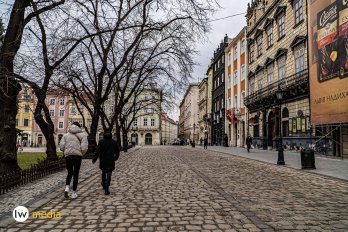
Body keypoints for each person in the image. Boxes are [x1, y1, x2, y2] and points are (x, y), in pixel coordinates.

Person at [60, 122, 88, 199]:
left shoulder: (65, 135)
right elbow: (84, 147)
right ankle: (74, 193)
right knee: (76, 173)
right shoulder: (83, 135)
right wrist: (81, 153)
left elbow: (61, 147)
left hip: (68, 156)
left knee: (69, 173)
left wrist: (66, 151)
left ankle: (67, 188)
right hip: (77, 157)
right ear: (79, 127)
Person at [92, 128, 120, 195]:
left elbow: (97, 152)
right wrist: (116, 158)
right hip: (111, 160)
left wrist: (94, 159)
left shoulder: (101, 142)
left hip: (103, 160)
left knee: (104, 172)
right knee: (109, 173)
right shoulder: (114, 142)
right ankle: (107, 187)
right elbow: (117, 151)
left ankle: (104, 184)